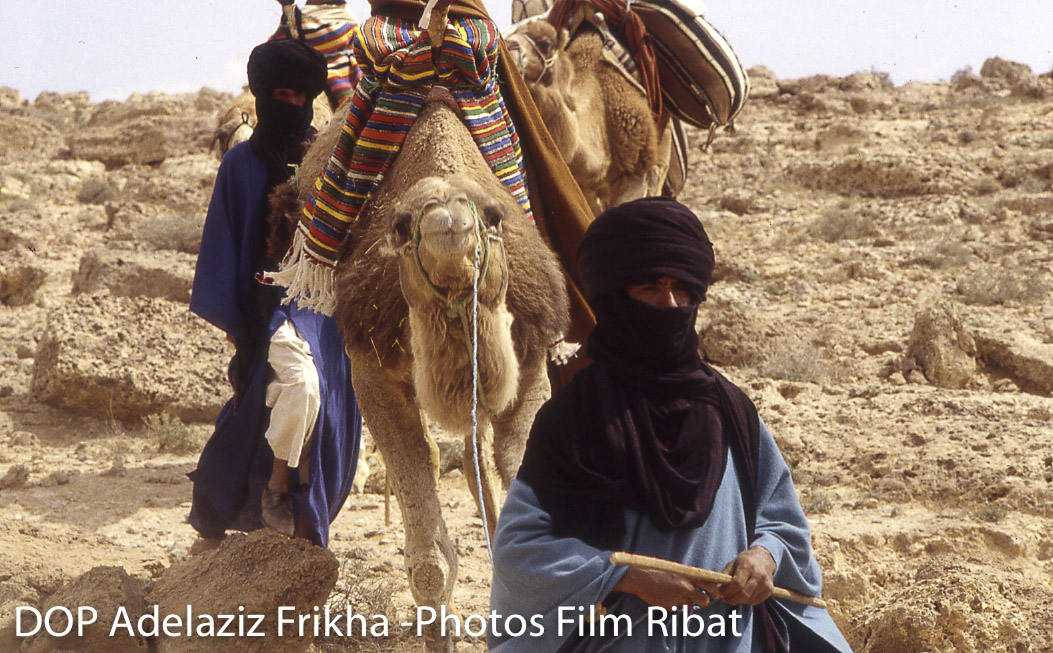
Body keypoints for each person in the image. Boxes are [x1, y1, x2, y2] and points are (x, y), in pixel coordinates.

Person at [489, 197, 853, 652]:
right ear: (615, 296)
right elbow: (520, 550)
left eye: (683, 290)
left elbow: (782, 521)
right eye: (650, 288)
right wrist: (624, 575)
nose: (670, 304)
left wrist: (766, 557)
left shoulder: (730, 408)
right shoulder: (574, 418)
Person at [187, 38, 362, 547]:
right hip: (266, 307)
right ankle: (276, 487)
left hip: (324, 311)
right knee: (297, 390)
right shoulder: (239, 165)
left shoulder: (329, 162)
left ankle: (302, 543)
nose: (289, 104)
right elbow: (224, 241)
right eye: (278, 93)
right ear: (263, 95)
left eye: (298, 95)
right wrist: (240, 324)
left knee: (322, 414)